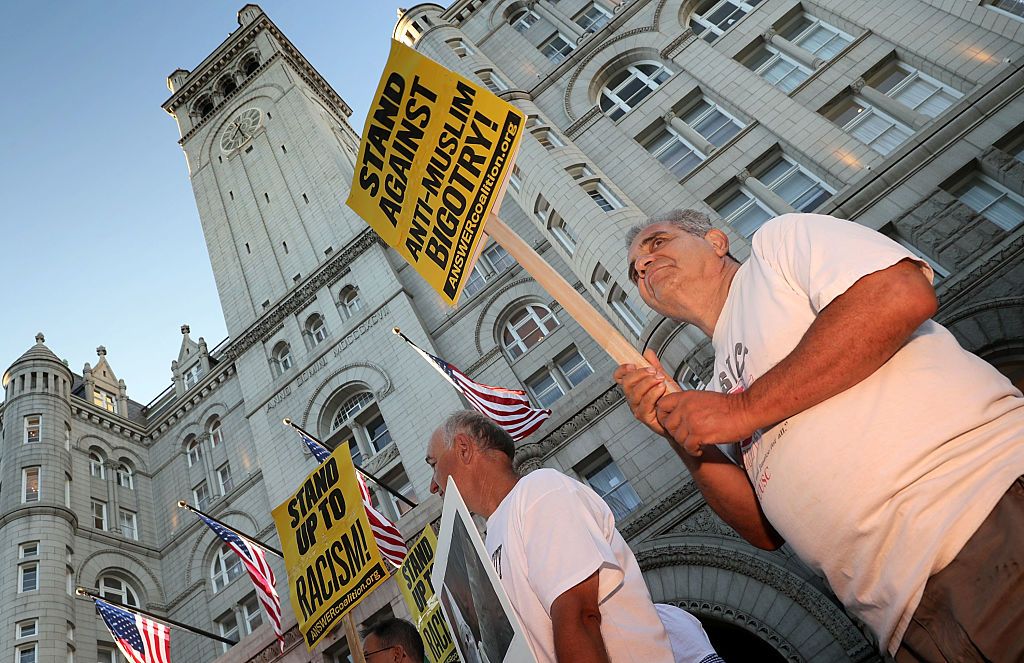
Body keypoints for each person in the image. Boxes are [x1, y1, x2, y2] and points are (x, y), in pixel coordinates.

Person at [614, 209, 1024, 661]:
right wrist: (680, 434)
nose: (645, 266)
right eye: (635, 272)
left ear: (715, 240)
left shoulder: (777, 249)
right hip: (905, 620)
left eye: (657, 243)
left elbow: (899, 293)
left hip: (987, 518)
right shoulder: (715, 387)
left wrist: (742, 410)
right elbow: (762, 530)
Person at [426, 411, 722, 663]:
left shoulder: (540, 490)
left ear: (463, 448)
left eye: (432, 464)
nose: (432, 486)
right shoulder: (490, 542)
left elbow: (578, 616)